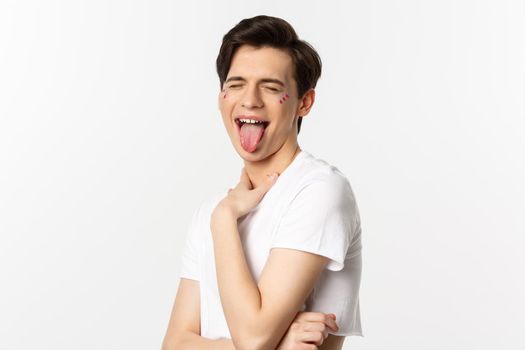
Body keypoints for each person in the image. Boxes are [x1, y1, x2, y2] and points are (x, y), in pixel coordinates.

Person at [162, 15, 363, 350]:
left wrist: (225, 222)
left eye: (271, 87)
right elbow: (173, 344)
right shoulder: (213, 210)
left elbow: (254, 337)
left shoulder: (318, 190)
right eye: (236, 84)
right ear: (221, 96)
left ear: (304, 102)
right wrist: (281, 344)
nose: (250, 100)